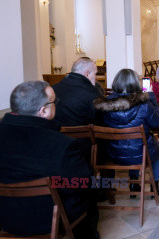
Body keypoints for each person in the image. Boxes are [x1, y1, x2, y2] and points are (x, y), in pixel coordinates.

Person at [0, 81, 98, 238]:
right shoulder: (64, 146)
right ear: (43, 111)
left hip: (6, 218)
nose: (57, 105)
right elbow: (82, 185)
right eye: (55, 102)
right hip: (48, 220)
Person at [94, 69, 159, 196]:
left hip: (114, 153)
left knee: (130, 143)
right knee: (154, 146)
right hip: (140, 153)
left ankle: (133, 182)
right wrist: (151, 96)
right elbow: (157, 123)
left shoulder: (104, 105)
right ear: (136, 84)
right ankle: (155, 184)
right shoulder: (144, 104)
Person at [52, 57, 102, 127]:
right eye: (95, 74)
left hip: (56, 135)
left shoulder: (53, 89)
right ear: (87, 74)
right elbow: (100, 121)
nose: (96, 77)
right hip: (84, 136)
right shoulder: (92, 92)